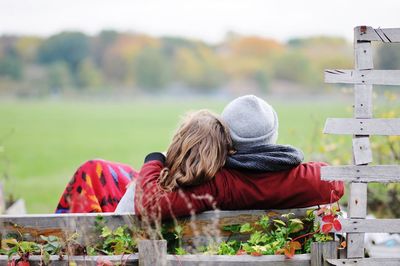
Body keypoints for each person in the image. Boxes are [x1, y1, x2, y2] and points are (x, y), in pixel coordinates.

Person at [133, 95, 343, 219]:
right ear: (273, 135)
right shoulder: (311, 178)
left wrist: (154, 158)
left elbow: (149, 205)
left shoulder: (218, 184)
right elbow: (337, 183)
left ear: (226, 138)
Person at [55, 109, 233, 213]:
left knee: (94, 170)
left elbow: (119, 220)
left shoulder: (144, 192)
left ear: (177, 143)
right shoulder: (225, 191)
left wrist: (161, 157)